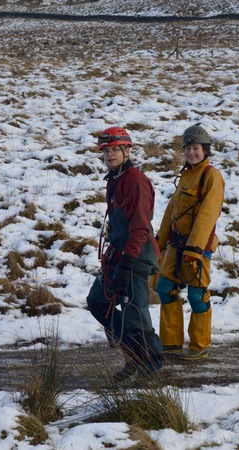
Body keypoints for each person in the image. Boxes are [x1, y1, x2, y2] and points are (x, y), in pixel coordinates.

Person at [86, 126, 164, 381]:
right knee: (98, 302)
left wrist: (127, 263)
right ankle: (134, 354)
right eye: (106, 151)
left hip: (135, 255)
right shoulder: (116, 179)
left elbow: (140, 226)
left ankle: (150, 367)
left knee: (135, 313)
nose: (109, 155)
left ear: (128, 150)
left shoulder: (135, 180)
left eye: (115, 150)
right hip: (118, 254)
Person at [155, 124, 225, 361]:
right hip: (176, 245)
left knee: (197, 296)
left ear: (205, 150)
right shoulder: (185, 175)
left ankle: (199, 346)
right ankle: (171, 344)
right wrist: (159, 242)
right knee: (165, 289)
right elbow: (171, 212)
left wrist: (195, 250)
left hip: (198, 247)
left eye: (196, 148)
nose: (191, 153)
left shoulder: (211, 176)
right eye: (187, 148)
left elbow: (208, 214)